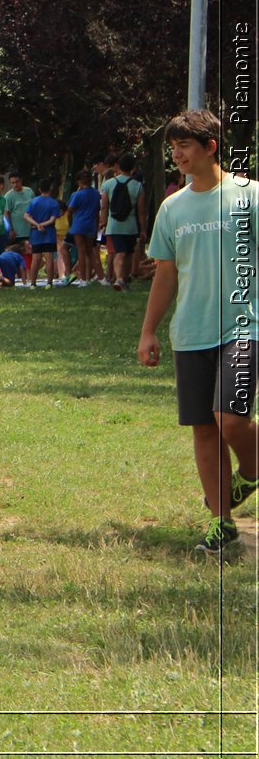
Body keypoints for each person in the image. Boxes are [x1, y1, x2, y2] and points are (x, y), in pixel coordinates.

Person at [137, 109, 258, 558]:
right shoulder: (173, 207)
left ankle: (254, 464)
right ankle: (222, 523)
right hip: (190, 332)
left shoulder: (249, 198)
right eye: (172, 147)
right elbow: (165, 275)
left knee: (230, 419)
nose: (177, 154)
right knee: (205, 429)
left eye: (184, 145)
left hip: (245, 326)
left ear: (210, 147)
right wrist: (149, 331)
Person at [102, 154, 147, 290]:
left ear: (118, 167)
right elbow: (141, 211)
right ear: (133, 168)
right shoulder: (138, 186)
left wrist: (103, 223)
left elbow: (104, 206)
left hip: (114, 225)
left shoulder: (108, 184)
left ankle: (119, 278)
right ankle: (123, 278)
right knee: (128, 253)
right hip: (131, 226)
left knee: (118, 252)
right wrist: (143, 229)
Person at [66, 169, 102, 286]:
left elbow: (69, 211)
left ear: (79, 182)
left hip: (79, 224)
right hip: (91, 224)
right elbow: (97, 211)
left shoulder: (77, 195)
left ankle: (83, 279)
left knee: (80, 251)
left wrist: (70, 224)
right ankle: (101, 277)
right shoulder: (96, 194)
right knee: (90, 252)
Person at [4, 171, 35, 271]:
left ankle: (30, 273)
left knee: (30, 252)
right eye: (12, 183)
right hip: (17, 231)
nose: (15, 185)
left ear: (21, 180)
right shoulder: (8, 196)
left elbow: (34, 207)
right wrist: (11, 229)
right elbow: (6, 213)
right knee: (17, 253)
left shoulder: (29, 191)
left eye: (17, 182)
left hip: (30, 228)